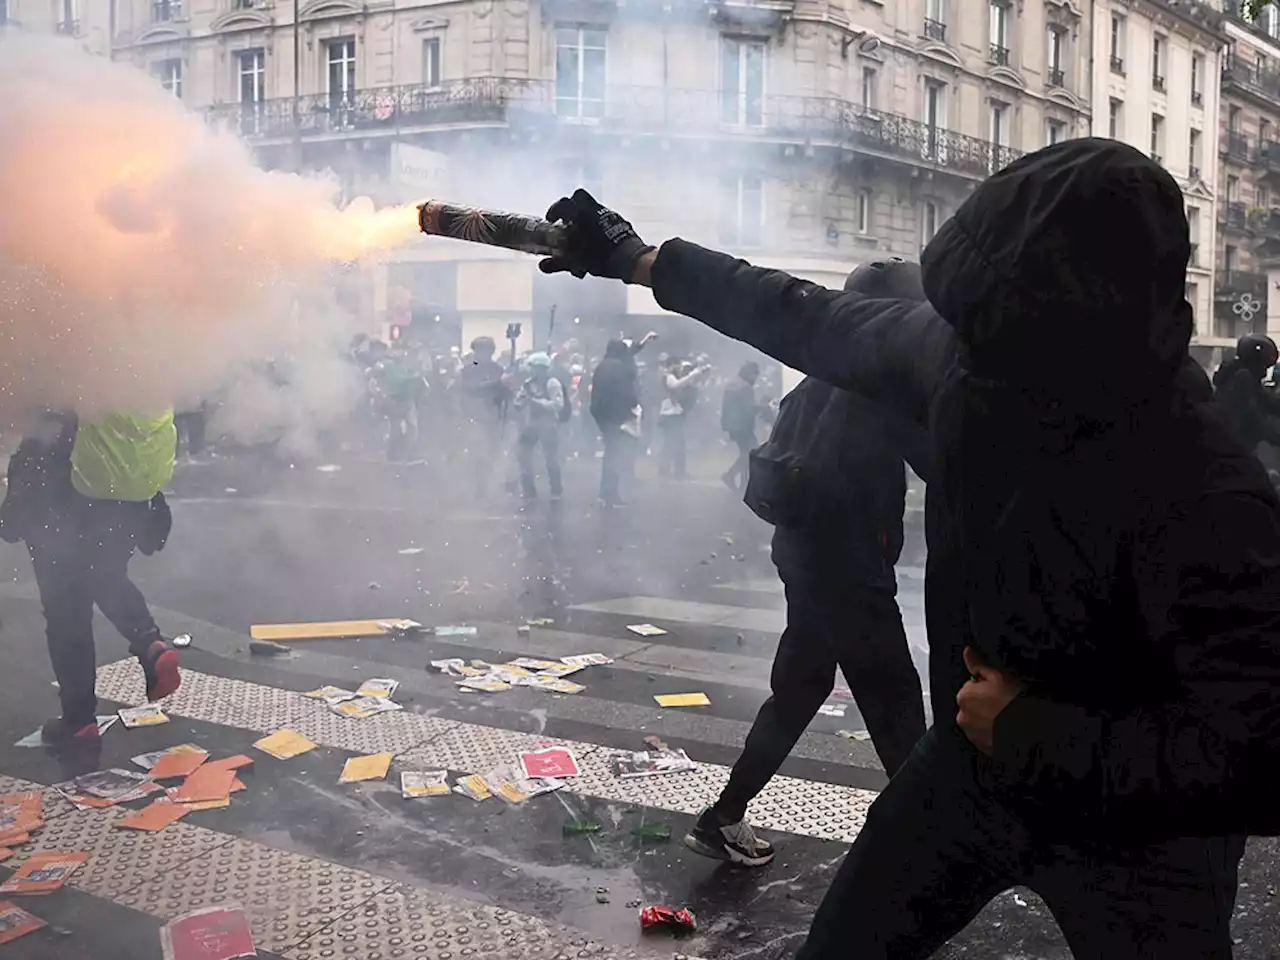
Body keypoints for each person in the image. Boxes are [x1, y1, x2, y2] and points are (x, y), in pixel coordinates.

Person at [538, 139, 1280, 956]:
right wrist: (640, 259)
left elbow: (1263, 753)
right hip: (972, 770)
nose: (966, 347)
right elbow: (801, 313)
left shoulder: (1210, 492)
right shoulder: (966, 357)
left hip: (1140, 835)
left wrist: (1038, 733)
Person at [685, 259, 931, 867]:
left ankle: (723, 817)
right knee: (897, 706)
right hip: (848, 571)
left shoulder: (812, 383)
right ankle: (927, 844)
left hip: (805, 558)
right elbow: (941, 464)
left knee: (799, 691)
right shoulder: (878, 387)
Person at [0, 410, 182, 745]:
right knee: (105, 573)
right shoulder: (129, 369)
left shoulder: (62, 374)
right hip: (126, 496)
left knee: (65, 609)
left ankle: (79, 719)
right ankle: (149, 641)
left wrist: (15, 507)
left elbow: (40, 431)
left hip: (61, 495)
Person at [1213, 333, 1280, 481]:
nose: (1264, 372)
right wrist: (1274, 436)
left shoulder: (1246, 376)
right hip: (1234, 447)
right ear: (1255, 360)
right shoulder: (1242, 377)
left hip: (1238, 445)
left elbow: (1269, 401)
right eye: (1264, 365)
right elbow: (1253, 416)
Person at [590, 339, 642, 506]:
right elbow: (626, 391)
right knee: (615, 455)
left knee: (611, 453)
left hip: (603, 415)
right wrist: (633, 406)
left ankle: (608, 493)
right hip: (616, 416)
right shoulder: (618, 367)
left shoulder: (602, 366)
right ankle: (608, 493)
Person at [459, 336, 508, 496]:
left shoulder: (497, 369)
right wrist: (498, 383)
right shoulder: (468, 370)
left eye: (486, 350)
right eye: (479, 350)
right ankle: (479, 486)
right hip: (475, 416)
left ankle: (489, 483)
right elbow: (472, 388)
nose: (482, 354)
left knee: (493, 452)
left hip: (494, 417)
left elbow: (503, 394)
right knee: (478, 453)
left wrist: (508, 386)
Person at [514, 352, 566, 501]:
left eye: (539, 368)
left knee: (551, 458)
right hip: (532, 423)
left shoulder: (553, 383)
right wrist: (519, 400)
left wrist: (538, 402)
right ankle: (528, 489)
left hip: (549, 424)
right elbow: (519, 404)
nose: (536, 371)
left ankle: (556, 489)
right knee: (523, 454)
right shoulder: (529, 384)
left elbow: (558, 405)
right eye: (534, 368)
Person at [657, 356, 710, 480]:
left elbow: (691, 386)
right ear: (671, 365)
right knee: (673, 445)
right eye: (677, 365)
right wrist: (692, 374)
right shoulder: (668, 376)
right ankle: (673, 472)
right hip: (670, 415)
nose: (679, 367)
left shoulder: (674, 376)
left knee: (674, 445)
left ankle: (671, 471)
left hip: (675, 414)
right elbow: (675, 385)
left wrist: (699, 374)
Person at [719, 360, 762, 491]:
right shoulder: (745, 387)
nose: (756, 377)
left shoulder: (732, 384)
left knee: (747, 453)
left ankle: (739, 479)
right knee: (752, 452)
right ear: (749, 373)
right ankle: (735, 477)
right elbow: (749, 409)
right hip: (743, 425)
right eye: (755, 374)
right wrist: (764, 408)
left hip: (733, 425)